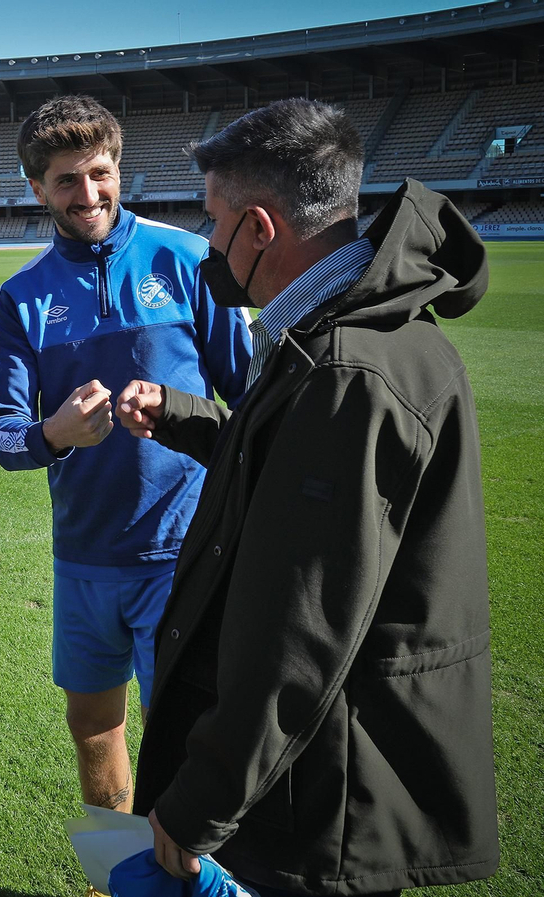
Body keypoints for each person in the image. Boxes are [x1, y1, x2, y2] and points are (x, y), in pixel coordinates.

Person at [118, 99, 499, 896]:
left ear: (260, 228)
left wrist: (199, 802)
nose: (208, 242)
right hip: (329, 771)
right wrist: (188, 418)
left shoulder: (346, 371)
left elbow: (300, 627)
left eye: (214, 220)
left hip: (325, 797)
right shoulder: (356, 332)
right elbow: (291, 477)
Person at [0, 94, 251, 851]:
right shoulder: (22, 297)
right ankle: (120, 875)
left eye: (99, 172)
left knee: (187, 734)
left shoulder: (187, 260)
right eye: (66, 180)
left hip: (183, 553)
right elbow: (3, 435)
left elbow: (254, 398)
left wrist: (176, 407)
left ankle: (190, 877)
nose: (88, 193)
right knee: (94, 729)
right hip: (85, 560)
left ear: (118, 168)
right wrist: (54, 434)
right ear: (37, 188)